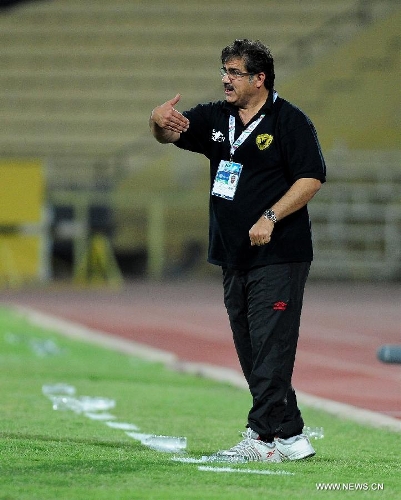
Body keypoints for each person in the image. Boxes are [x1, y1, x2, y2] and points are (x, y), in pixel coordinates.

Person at [149, 39, 326, 462]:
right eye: (224, 71)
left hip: (279, 254)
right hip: (233, 255)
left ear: (259, 78)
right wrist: (157, 122)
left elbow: (311, 178)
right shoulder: (216, 117)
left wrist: (270, 215)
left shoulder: (290, 121)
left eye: (234, 72)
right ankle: (290, 433)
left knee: (270, 346)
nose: (226, 79)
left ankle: (262, 439)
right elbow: (169, 133)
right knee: (252, 349)